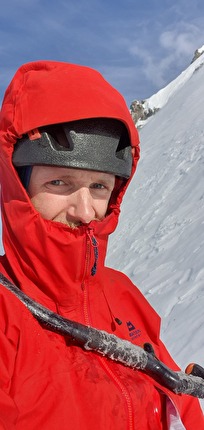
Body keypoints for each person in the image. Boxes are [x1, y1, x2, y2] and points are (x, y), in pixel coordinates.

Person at [0, 60, 203, 430]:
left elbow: (182, 407)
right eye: (59, 183)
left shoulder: (123, 295)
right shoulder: (5, 311)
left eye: (98, 187)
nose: (85, 210)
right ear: (18, 183)